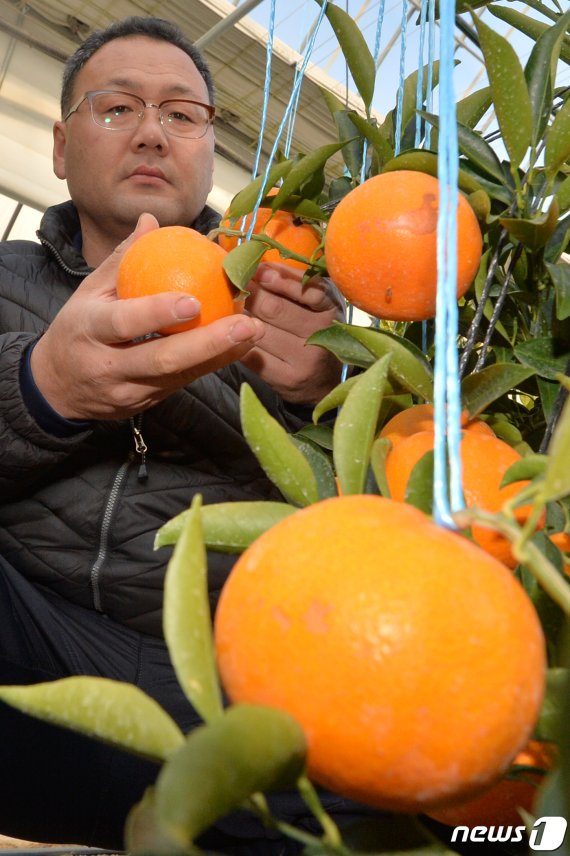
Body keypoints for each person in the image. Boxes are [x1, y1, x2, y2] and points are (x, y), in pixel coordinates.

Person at [0, 14, 378, 854]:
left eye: (181, 113)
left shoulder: (293, 301)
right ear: (61, 148)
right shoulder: (3, 281)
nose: (150, 132)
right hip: (29, 645)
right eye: (117, 106)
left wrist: (326, 393)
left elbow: (382, 525)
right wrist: (44, 386)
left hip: (230, 694)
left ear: (211, 146)